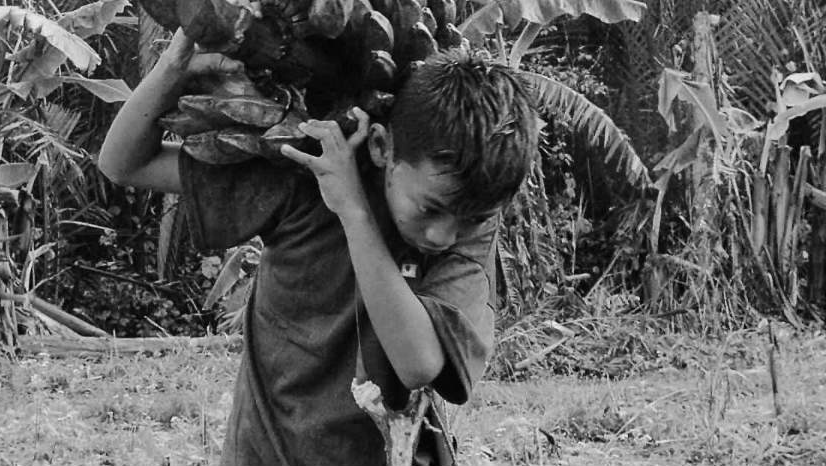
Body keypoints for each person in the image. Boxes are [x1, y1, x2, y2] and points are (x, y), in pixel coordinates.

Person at [97, 28, 537, 465]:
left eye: (472, 218)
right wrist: (174, 67)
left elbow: (418, 363)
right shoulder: (303, 171)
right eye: (429, 209)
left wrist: (354, 211)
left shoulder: (471, 220)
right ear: (381, 146)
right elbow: (124, 164)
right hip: (266, 453)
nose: (443, 236)